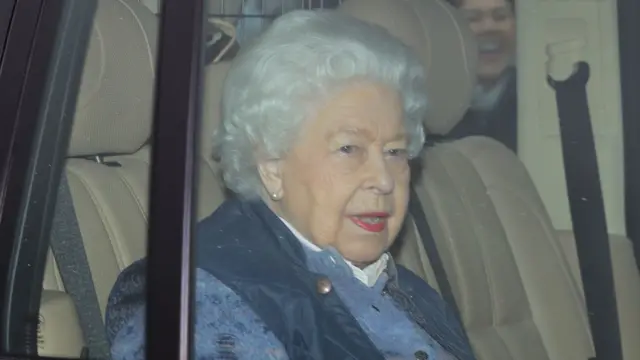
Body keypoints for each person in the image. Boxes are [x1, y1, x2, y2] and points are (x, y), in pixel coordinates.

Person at [105, 9, 475, 360]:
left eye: (395, 151)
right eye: (348, 148)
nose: (382, 180)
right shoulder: (205, 306)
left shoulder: (401, 289)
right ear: (272, 168)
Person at [447, 0, 518, 152]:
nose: (489, 27)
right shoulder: (429, 109)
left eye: (500, 16)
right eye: (472, 18)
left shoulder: (538, 98)